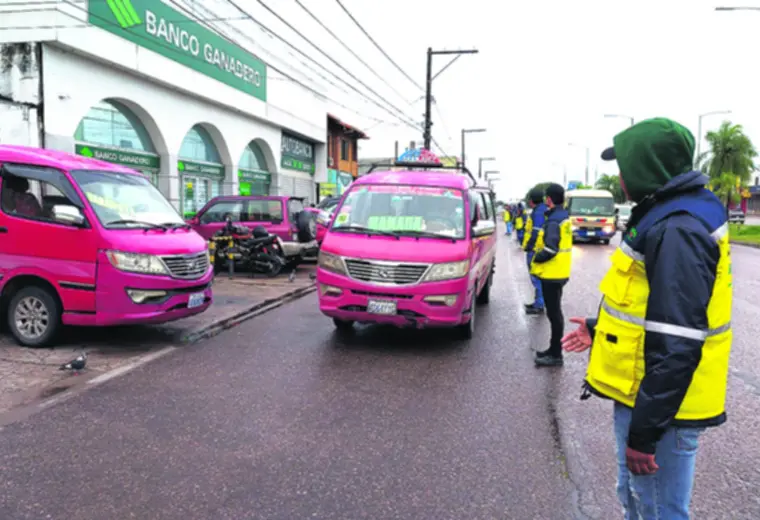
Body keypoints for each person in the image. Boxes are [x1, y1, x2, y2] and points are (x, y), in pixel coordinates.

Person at [562, 118, 731, 519]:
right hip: (651, 398)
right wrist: (598, 327)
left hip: (663, 410)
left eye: (624, 164)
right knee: (638, 499)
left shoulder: (678, 227)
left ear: (647, 165)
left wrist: (645, 433)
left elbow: (677, 340)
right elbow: (648, 306)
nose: (620, 175)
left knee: (657, 509)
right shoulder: (668, 213)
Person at [530, 183, 571, 366]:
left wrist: (537, 258)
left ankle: (556, 355)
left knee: (554, 315)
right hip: (560, 272)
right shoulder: (563, 216)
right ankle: (553, 350)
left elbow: (550, 248)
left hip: (552, 274)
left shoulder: (554, 220)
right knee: (555, 314)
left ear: (549, 199)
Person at [523, 189, 547, 314]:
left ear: (531, 201)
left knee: (536, 277)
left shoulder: (538, 212)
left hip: (535, 249)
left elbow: (535, 231)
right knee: (539, 276)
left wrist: (529, 245)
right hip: (541, 248)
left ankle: (539, 304)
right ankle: (539, 302)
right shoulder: (544, 209)